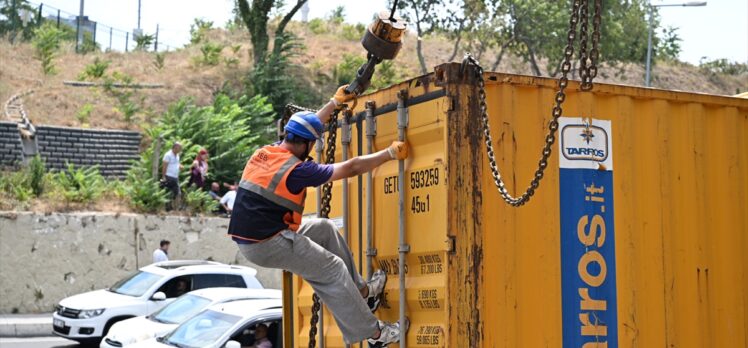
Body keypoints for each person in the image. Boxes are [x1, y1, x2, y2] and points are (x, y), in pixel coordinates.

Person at [228, 86, 409, 346]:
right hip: (268, 243)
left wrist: (334, 103)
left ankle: (363, 293)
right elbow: (351, 167)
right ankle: (376, 335)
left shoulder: (266, 153)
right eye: (312, 144)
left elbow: (307, 129)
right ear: (306, 145)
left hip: (257, 238)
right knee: (332, 269)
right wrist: (388, 154)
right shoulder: (298, 171)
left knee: (324, 228)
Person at [162, 142, 183, 209]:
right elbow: (164, 166)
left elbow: (176, 164)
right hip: (168, 176)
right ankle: (168, 208)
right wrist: (163, 176)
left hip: (175, 177)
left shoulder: (177, 155)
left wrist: (180, 166)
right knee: (168, 194)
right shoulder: (168, 155)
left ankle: (176, 208)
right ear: (175, 147)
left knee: (177, 193)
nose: (180, 150)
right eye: (179, 148)